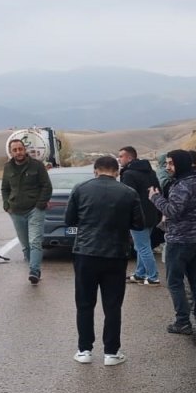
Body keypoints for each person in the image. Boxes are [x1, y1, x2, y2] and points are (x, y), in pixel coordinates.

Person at [65, 156, 143, 365]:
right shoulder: (129, 193)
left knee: (84, 303)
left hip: (85, 253)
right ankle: (111, 352)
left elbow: (69, 220)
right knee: (112, 305)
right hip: (115, 255)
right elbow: (138, 223)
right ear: (117, 172)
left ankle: (84, 350)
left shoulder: (80, 189)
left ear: (95, 170)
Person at [149, 150, 196, 335]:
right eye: (167, 164)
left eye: (170, 164)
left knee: (175, 282)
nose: (167, 167)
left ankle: (183, 322)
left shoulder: (181, 186)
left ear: (180, 164)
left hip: (179, 242)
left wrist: (155, 198)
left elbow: (172, 211)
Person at [1, 138, 52, 284]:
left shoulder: (37, 166)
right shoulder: (7, 168)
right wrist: (6, 205)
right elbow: (5, 188)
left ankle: (34, 271)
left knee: (35, 241)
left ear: (25, 149)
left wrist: (40, 204)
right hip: (16, 211)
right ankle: (32, 265)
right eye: (15, 150)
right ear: (11, 152)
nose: (18, 152)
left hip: (35, 210)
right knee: (26, 245)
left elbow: (46, 186)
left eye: (20, 149)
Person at [116, 146, 162, 285]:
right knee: (143, 245)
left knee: (142, 247)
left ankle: (153, 277)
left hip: (138, 217)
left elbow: (127, 197)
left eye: (121, 156)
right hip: (152, 214)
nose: (119, 159)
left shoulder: (129, 174)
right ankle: (140, 274)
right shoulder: (150, 172)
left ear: (130, 158)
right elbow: (158, 191)